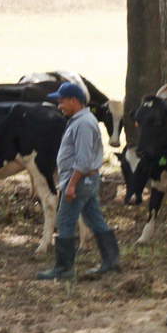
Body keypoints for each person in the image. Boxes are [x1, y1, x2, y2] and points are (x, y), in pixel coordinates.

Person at [36, 81, 121, 280]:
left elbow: (82, 161)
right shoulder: (83, 120)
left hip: (79, 180)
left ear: (74, 100)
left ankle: (63, 268)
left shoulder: (83, 124)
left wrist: (71, 184)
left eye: (62, 101)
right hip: (87, 181)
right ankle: (111, 260)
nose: (59, 106)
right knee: (95, 219)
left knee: (64, 221)